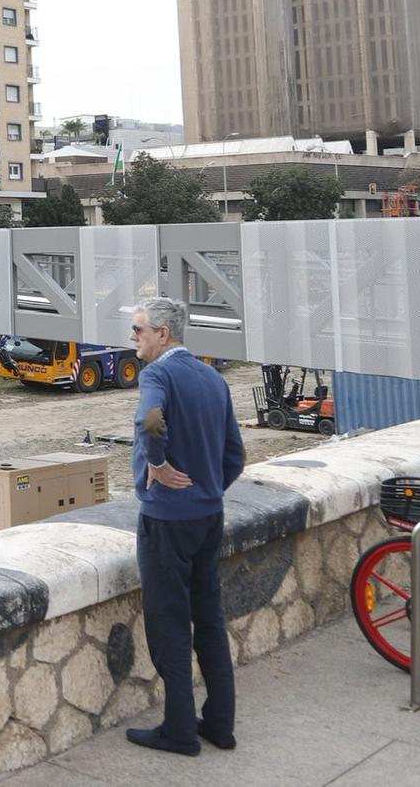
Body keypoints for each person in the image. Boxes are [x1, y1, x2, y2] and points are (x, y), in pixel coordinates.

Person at [126, 296, 246, 757]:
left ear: (163, 334)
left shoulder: (158, 374)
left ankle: (178, 728)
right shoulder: (212, 377)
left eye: (138, 330)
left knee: (169, 621)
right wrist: (208, 487)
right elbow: (234, 454)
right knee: (210, 619)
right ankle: (220, 723)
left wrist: (157, 464)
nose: (133, 338)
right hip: (208, 516)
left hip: (167, 521)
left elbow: (150, 420)